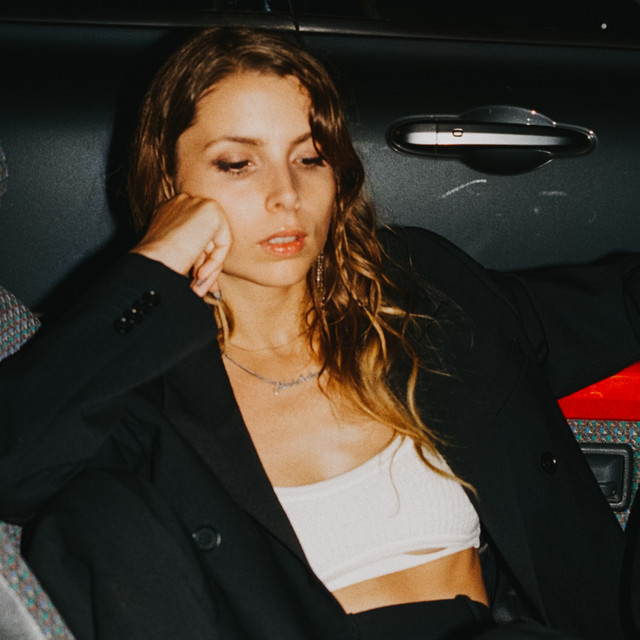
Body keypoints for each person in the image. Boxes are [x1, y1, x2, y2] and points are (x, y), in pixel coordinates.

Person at [0, 27, 637, 640]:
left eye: (310, 157)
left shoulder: (417, 290)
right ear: (171, 185)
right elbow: (14, 464)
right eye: (237, 164)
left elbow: (611, 306)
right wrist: (155, 263)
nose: (287, 195)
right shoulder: (139, 378)